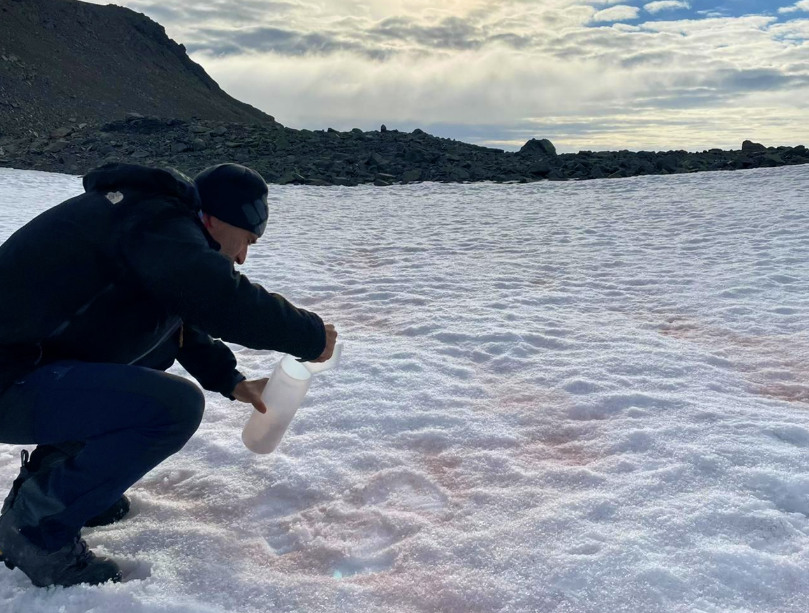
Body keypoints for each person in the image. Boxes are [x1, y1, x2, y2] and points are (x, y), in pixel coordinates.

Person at [0, 162, 337, 588]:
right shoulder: (154, 219)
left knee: (151, 351)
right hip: (10, 378)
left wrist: (229, 379)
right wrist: (308, 334)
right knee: (173, 408)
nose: (242, 256)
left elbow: (175, 321)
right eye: (246, 240)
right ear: (214, 219)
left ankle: (59, 490)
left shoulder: (147, 222)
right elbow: (215, 296)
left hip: (20, 366)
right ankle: (35, 528)